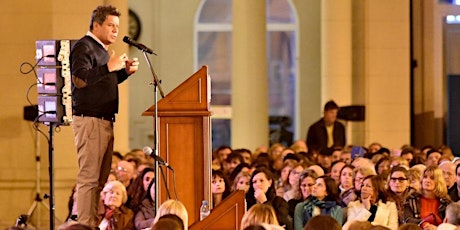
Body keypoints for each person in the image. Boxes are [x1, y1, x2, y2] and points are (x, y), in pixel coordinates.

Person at [70, 5, 139, 227]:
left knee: (100, 180)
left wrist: (123, 73)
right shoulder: (84, 47)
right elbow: (80, 80)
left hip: (104, 120)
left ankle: (92, 221)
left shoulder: (101, 49)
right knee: (89, 179)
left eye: (117, 26)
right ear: (96, 25)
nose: (115, 31)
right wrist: (108, 67)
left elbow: (101, 83)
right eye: (110, 25)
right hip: (90, 120)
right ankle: (85, 224)